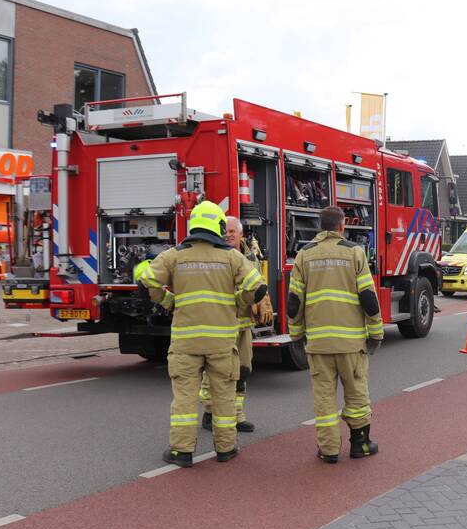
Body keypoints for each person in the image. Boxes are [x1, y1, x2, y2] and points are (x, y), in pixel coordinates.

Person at [139, 201, 267, 468]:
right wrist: (238, 300)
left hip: (186, 342)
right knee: (223, 395)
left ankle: (182, 452)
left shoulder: (174, 255)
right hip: (222, 341)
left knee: (185, 398)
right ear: (218, 226)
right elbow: (258, 287)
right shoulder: (232, 257)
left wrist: (167, 301)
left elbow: (147, 280)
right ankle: (226, 448)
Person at [287, 206, 383, 463]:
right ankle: (360, 445)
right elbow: (368, 298)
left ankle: (328, 451)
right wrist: (376, 333)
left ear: (321, 227)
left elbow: (294, 301)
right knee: (356, 395)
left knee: (324, 401)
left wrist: (296, 337)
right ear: (342, 226)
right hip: (351, 344)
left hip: (319, 346)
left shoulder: (304, 255)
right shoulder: (354, 252)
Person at [199, 217, 270, 434]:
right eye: (226, 231)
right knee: (214, 372)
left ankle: (237, 416)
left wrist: (264, 301)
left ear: (240, 235)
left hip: (243, 324)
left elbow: (258, 282)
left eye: (232, 231)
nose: (228, 235)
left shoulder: (251, 256)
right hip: (220, 325)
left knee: (244, 370)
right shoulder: (218, 256)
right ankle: (210, 413)